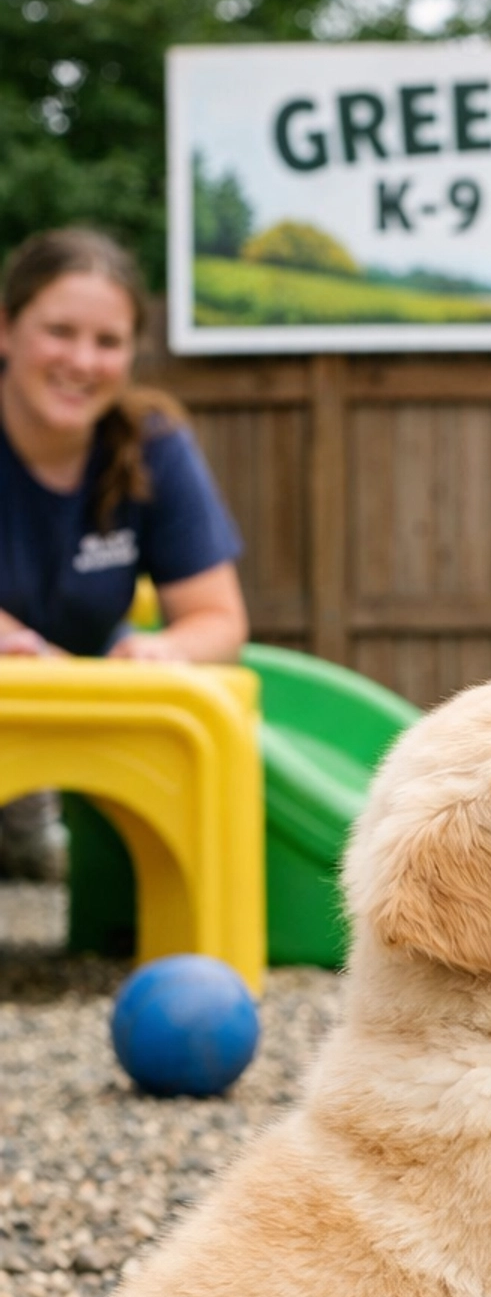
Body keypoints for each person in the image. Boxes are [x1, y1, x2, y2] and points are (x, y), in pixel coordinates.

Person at [0, 227, 248, 878]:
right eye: (59, 331)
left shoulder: (153, 446)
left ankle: (41, 828)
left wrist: (163, 651)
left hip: (86, 711)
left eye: (107, 342)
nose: (82, 361)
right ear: (6, 329)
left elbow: (220, 620)